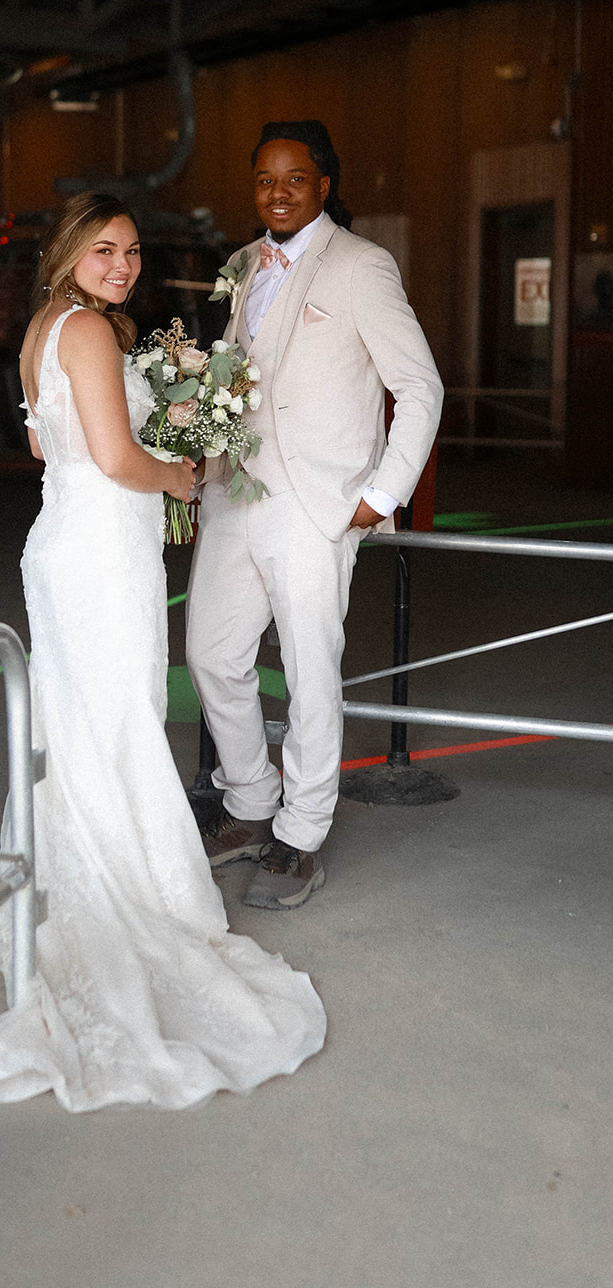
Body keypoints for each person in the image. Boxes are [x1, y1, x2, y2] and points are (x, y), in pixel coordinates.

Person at [0, 191, 326, 1111]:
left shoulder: (46, 328)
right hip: (99, 554)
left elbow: (49, 447)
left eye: (130, 252)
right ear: (69, 253)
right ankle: (122, 895)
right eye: (104, 250)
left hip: (70, 542)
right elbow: (117, 458)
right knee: (116, 718)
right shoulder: (87, 332)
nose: (121, 265)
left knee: (83, 722)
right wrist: (184, 473)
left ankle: (76, 877)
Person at [186, 121, 443, 911]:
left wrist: (382, 491)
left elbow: (421, 387)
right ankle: (250, 801)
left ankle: (299, 833)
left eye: (295, 178)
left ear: (324, 185)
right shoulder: (240, 265)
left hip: (316, 504)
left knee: (307, 671)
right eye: (265, 178)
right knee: (211, 654)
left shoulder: (364, 266)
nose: (278, 193)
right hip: (234, 493)